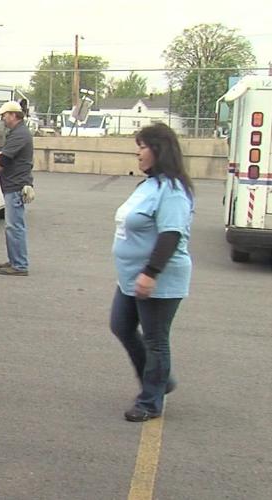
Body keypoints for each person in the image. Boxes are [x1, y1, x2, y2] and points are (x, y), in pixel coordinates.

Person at [109, 123, 194, 422]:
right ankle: (160, 380)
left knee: (156, 339)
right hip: (130, 276)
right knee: (120, 325)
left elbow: (170, 235)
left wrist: (150, 272)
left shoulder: (172, 190)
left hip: (157, 279)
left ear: (159, 150)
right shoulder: (148, 185)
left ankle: (150, 401)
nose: (138, 153)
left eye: (142, 147)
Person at [0, 101, 35, 276]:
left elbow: (4, 160)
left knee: (14, 226)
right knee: (13, 226)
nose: (2, 118)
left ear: (13, 115)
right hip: (13, 184)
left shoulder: (19, 135)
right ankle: (15, 260)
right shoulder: (18, 133)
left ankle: (19, 264)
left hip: (15, 185)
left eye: (5, 115)